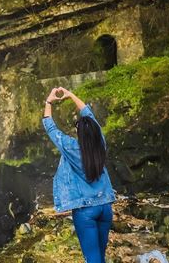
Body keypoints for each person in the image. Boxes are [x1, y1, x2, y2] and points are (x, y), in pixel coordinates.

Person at [43, 86, 115, 263]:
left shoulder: (71, 147)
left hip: (85, 210)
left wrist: (49, 101)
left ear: (80, 133)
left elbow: (50, 127)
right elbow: (89, 116)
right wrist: (71, 95)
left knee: (92, 259)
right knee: (100, 257)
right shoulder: (101, 143)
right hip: (105, 207)